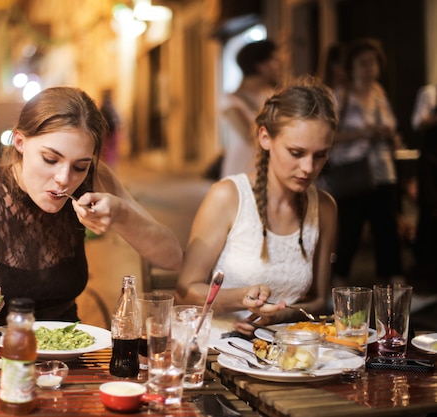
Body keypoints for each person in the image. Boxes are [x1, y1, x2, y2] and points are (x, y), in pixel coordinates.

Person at [0, 86, 183, 326]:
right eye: (50, 159)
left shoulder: (93, 180)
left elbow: (171, 258)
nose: (65, 179)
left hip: (67, 362)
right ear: (20, 143)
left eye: (79, 166)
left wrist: (122, 215)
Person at [175, 77, 339, 338]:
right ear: (265, 137)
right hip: (219, 348)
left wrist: (282, 315)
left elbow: (319, 300)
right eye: (296, 153)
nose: (309, 168)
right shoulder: (228, 197)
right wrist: (241, 297)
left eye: (320, 155)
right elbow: (185, 292)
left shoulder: (325, 208)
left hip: (289, 349)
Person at [328, 38, 405, 286]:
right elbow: (328, 134)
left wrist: (390, 137)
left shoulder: (379, 92)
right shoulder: (341, 95)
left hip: (383, 170)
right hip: (354, 173)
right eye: (363, 63)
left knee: (387, 231)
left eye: (373, 62)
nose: (369, 68)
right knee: (350, 231)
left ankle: (394, 287)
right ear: (352, 66)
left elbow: (392, 128)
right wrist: (363, 133)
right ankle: (338, 287)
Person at [219, 40, 282, 178]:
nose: (280, 66)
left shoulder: (274, 96)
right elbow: (250, 136)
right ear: (261, 66)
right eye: (275, 60)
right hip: (241, 171)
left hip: (270, 172)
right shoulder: (232, 100)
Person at [411, 82, 437, 285]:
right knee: (429, 214)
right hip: (431, 162)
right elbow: (417, 122)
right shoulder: (429, 92)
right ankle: (424, 270)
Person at [99, 89, 122, 169]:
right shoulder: (113, 107)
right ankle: (111, 168)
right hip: (113, 133)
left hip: (108, 134)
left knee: (107, 151)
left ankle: (109, 169)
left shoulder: (103, 107)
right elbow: (118, 120)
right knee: (112, 152)